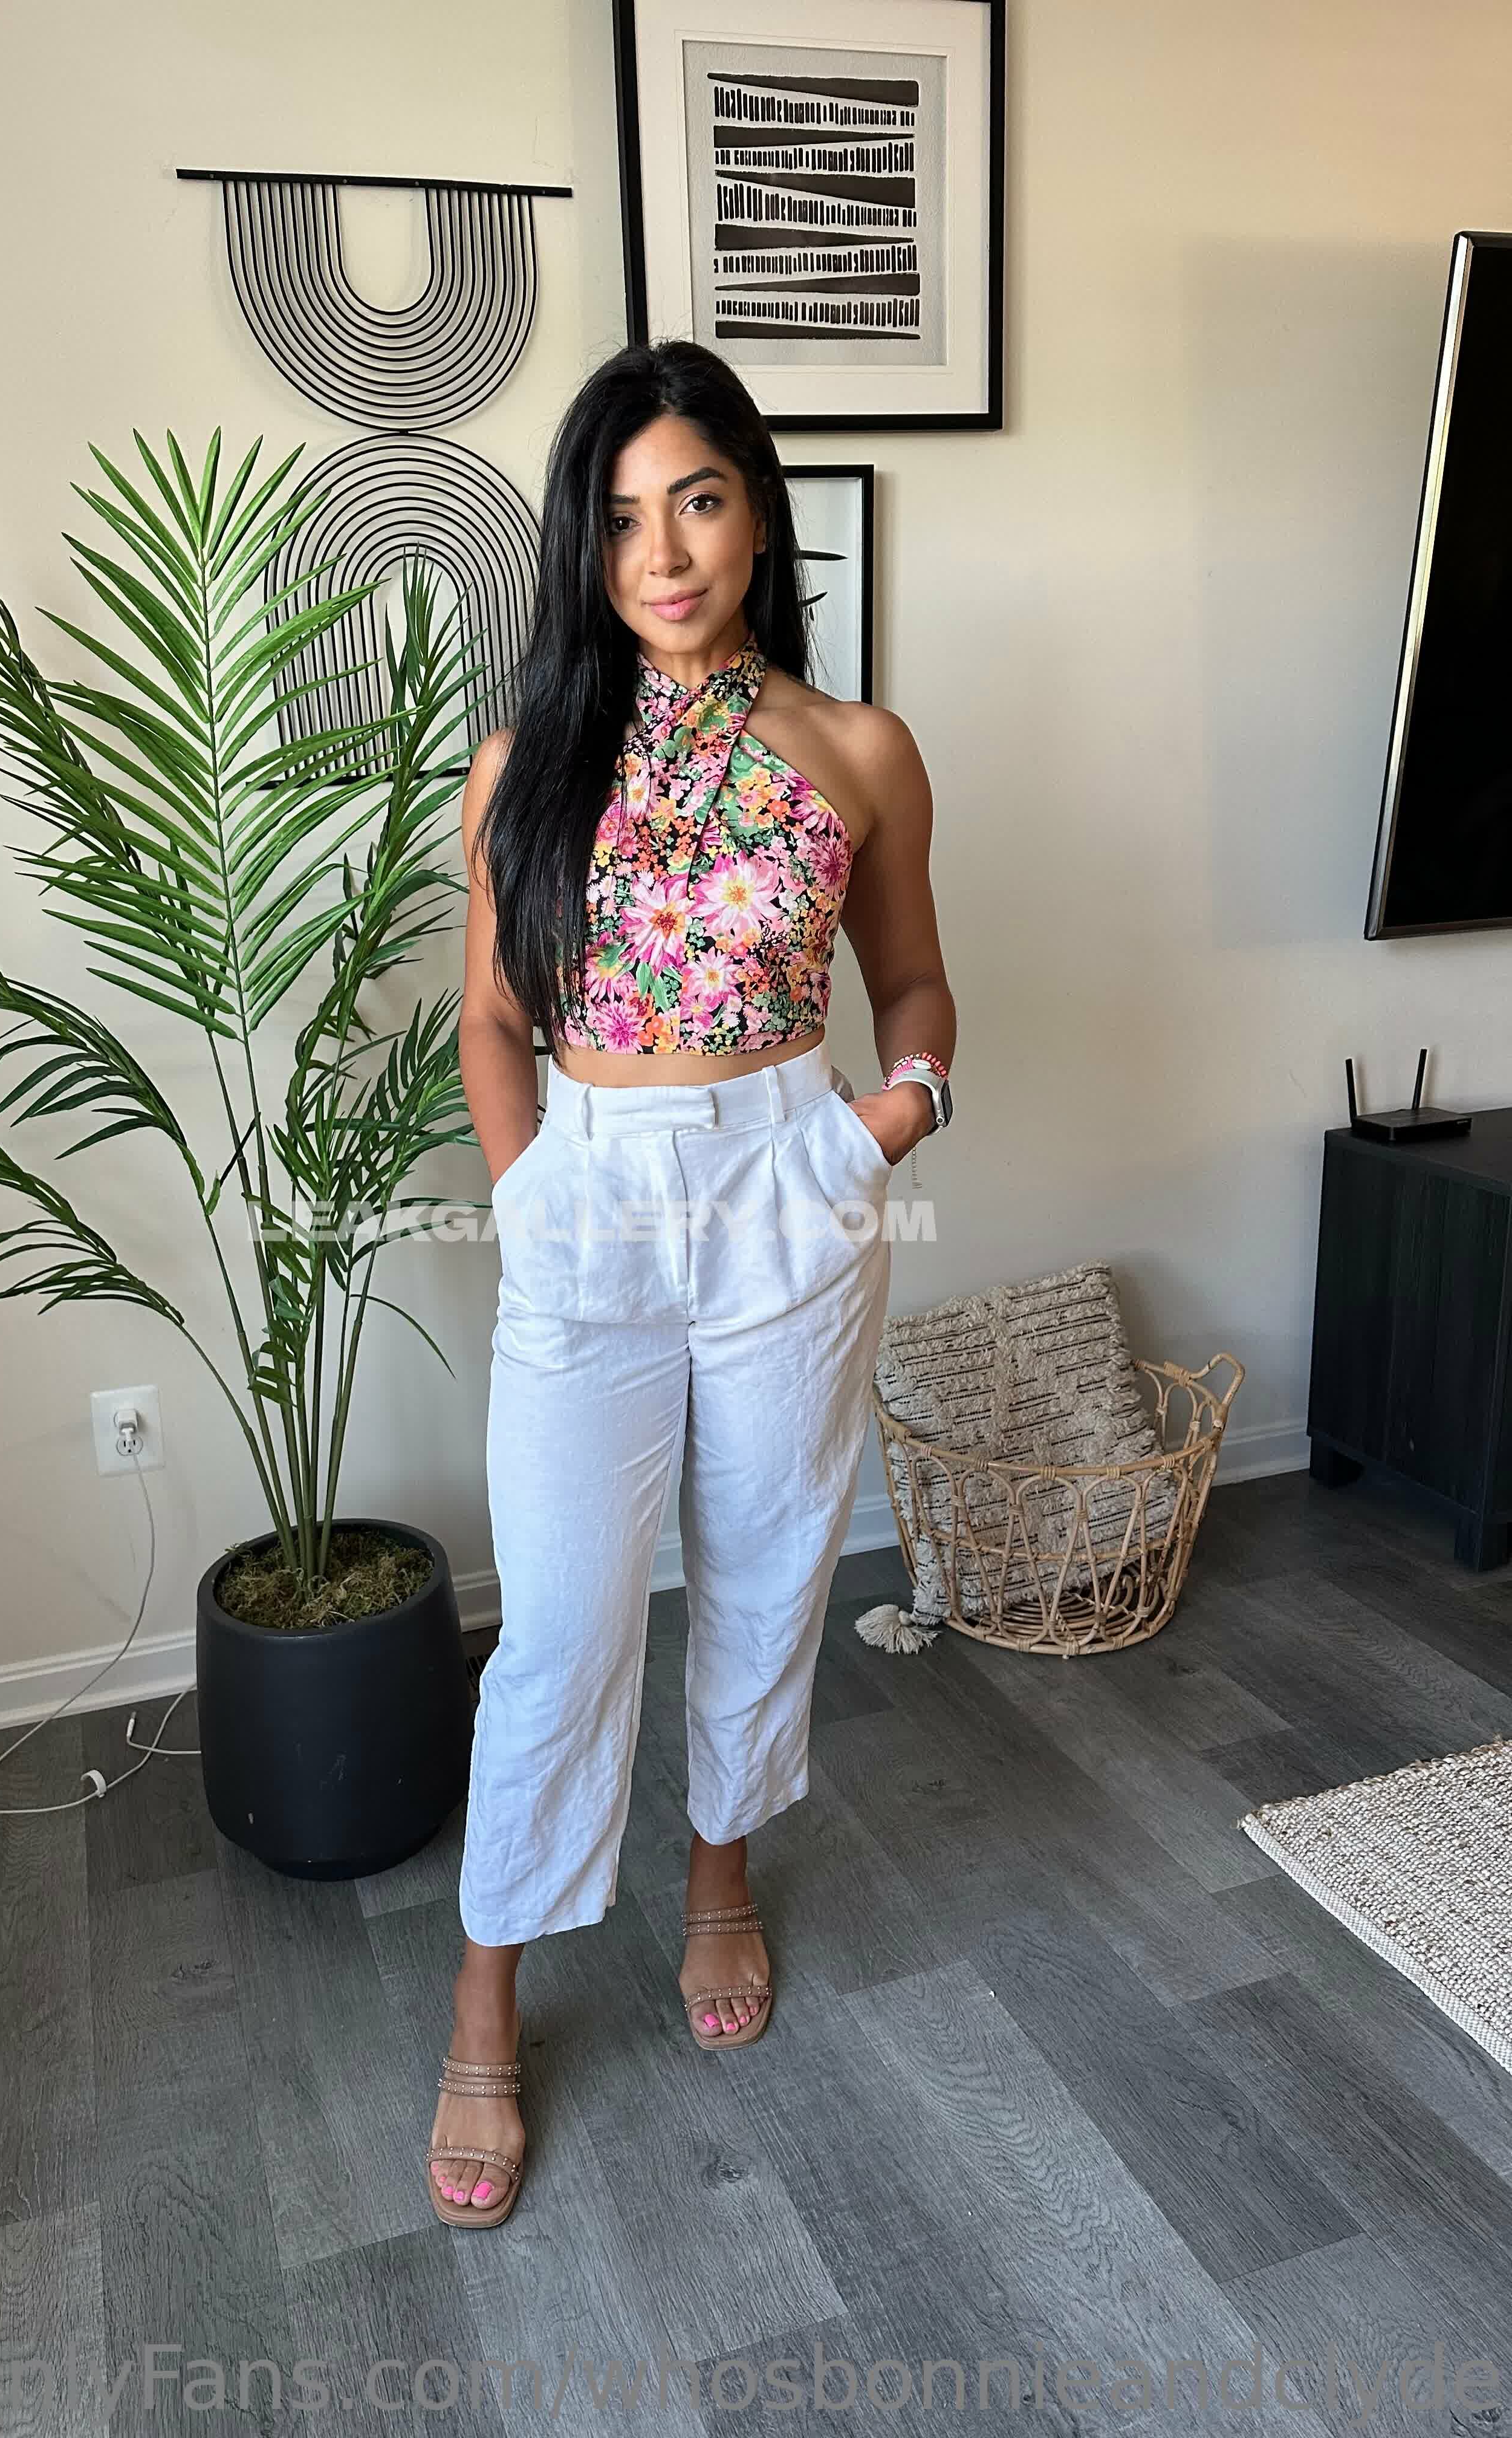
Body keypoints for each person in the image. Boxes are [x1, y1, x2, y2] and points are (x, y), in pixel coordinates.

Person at [428, 337, 956, 2226]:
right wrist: (538, 1195)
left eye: (700, 501)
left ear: (758, 517)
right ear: (583, 549)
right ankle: (485, 2002)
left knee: (768, 1565)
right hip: (590, 1200)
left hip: (788, 1186)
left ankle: (718, 1876)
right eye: (622, 518)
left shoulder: (858, 750)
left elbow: (912, 979)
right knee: (563, 1632)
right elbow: (493, 1024)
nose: (662, 553)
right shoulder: (525, 767)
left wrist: (893, 1114)